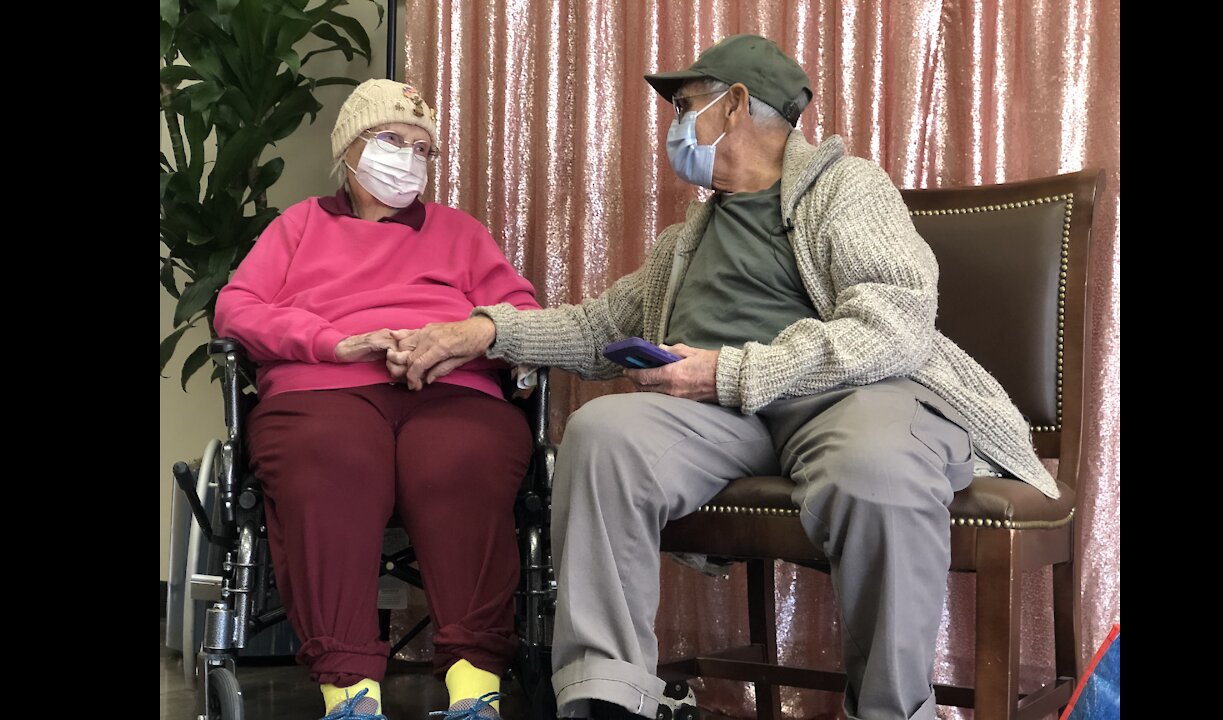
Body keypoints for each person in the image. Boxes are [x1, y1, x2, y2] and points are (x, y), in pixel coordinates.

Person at [392, 35, 1058, 720]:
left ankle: (890, 713)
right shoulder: (687, 238)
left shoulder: (846, 187)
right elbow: (598, 329)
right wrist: (487, 330)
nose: (676, 125)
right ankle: (607, 697)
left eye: (685, 106)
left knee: (880, 475)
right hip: (718, 416)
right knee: (602, 435)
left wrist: (736, 370)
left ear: (736, 103)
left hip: (850, 398)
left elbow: (892, 325)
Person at [214, 78, 540, 720]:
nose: (408, 158)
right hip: (323, 388)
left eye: (423, 148)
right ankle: (350, 694)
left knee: (460, 463)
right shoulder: (299, 226)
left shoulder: (460, 233)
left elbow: (520, 313)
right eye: (392, 141)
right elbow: (235, 307)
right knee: (334, 461)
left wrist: (457, 339)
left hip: (450, 385)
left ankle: (475, 688)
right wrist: (333, 343)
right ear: (350, 148)